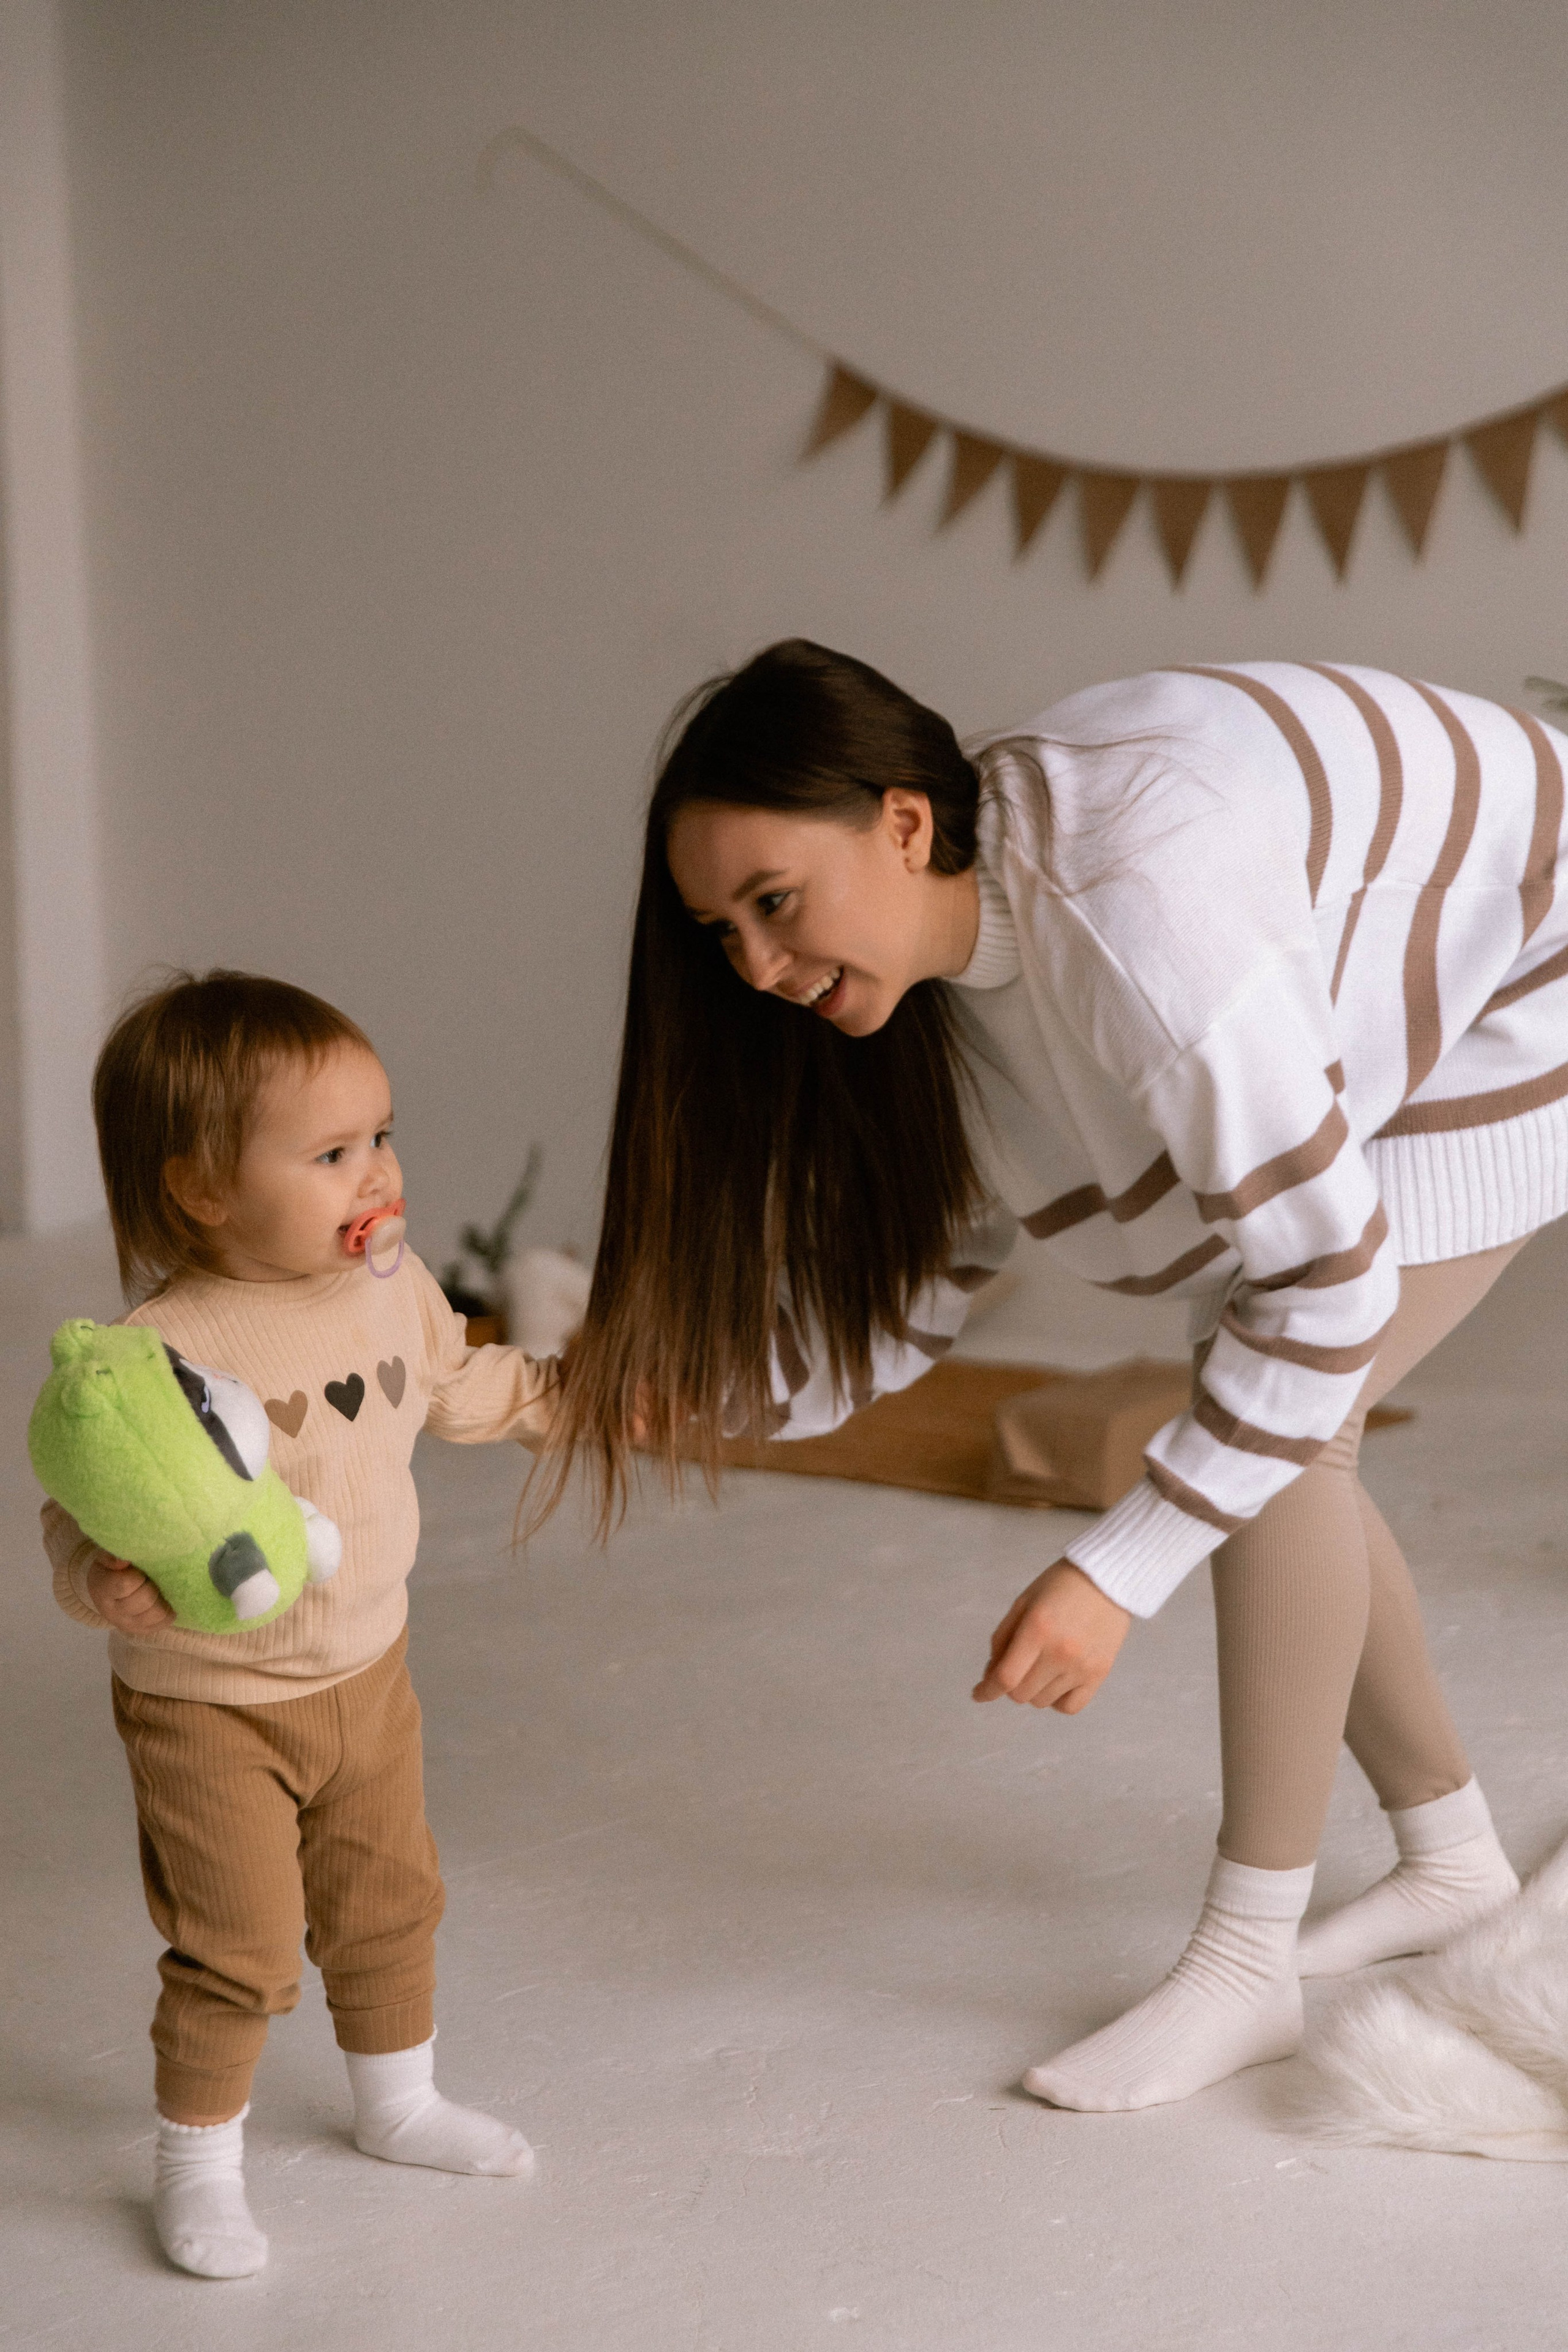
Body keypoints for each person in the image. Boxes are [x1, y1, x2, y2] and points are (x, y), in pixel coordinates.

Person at [545, 639, 1568, 2114]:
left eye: (775, 905)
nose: (758, 969)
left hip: (1533, 944)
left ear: (904, 823)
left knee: (1290, 1417)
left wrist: (1113, 1573)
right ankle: (1452, 1856)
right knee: (1285, 1420)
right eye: (722, 932)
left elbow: (1324, 1284)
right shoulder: (933, 980)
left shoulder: (1136, 932)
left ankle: (1245, 1963)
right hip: (1373, 928)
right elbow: (910, 1283)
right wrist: (709, 1395)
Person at [42, 972, 559, 2277]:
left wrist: (576, 1397)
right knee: (239, 1941)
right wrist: (101, 1586)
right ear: (204, 1190)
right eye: (330, 1154)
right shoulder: (153, 1358)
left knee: (388, 1897)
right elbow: (83, 1518)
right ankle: (197, 2166)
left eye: (380, 1136)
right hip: (208, 1705)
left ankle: (397, 2103)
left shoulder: (391, 1282)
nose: (375, 1174)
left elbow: (456, 1382)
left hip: (366, 1668)